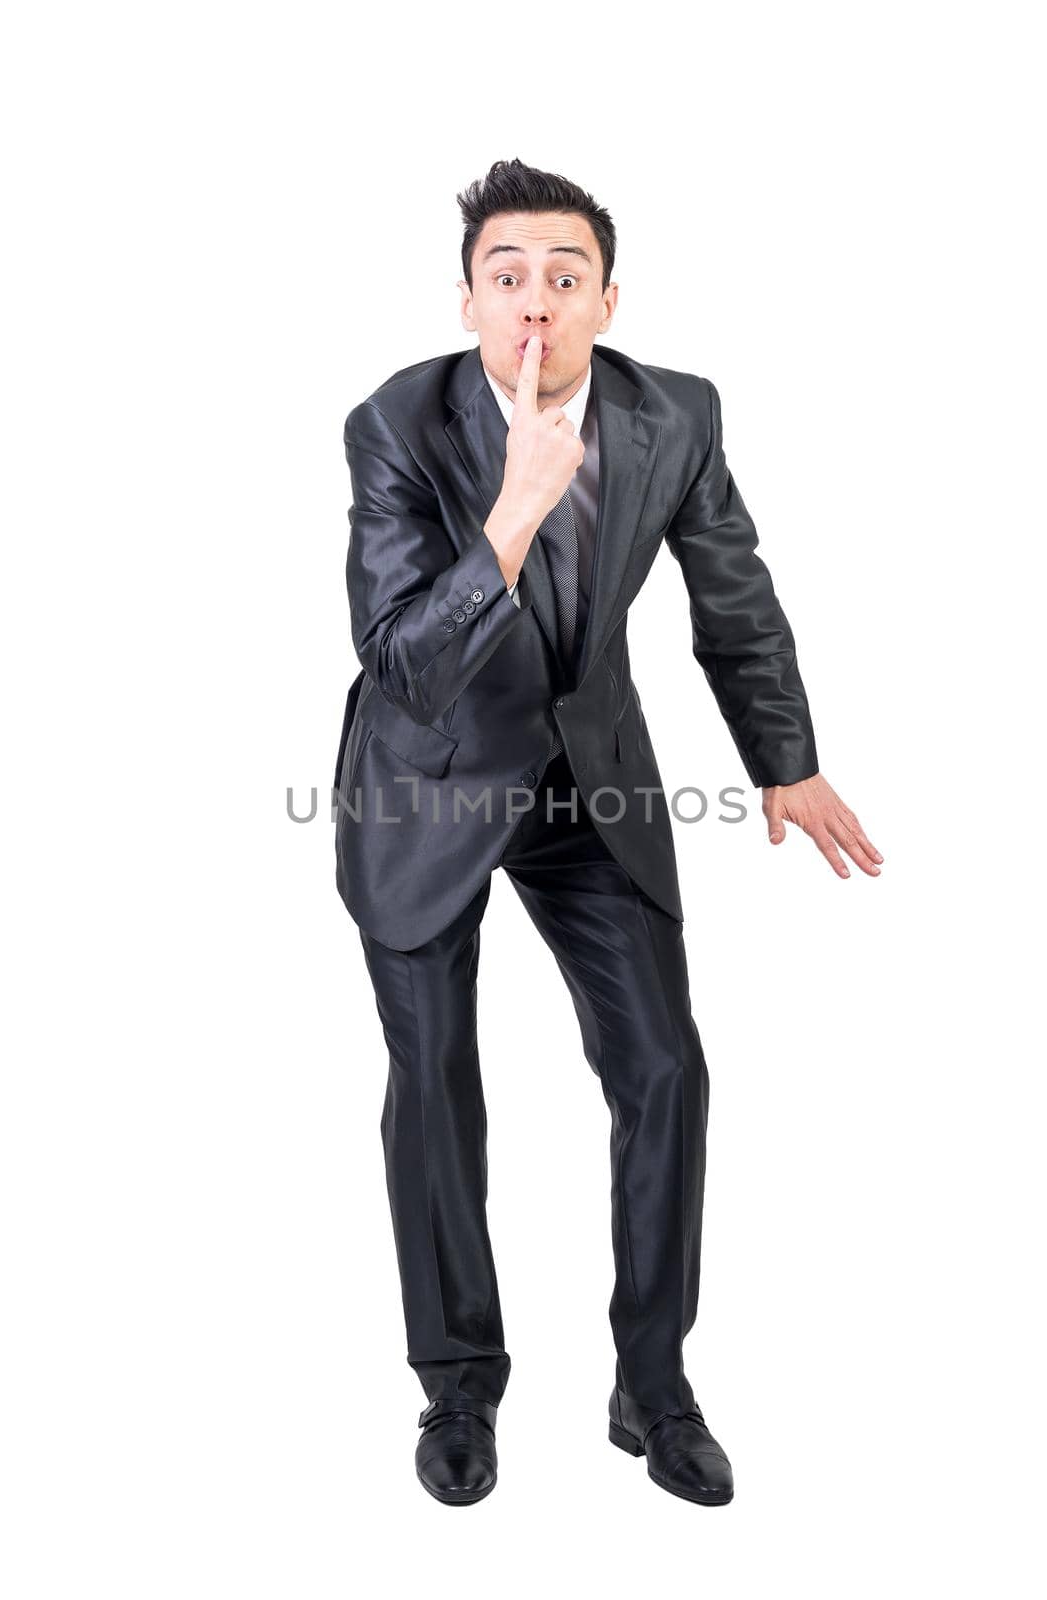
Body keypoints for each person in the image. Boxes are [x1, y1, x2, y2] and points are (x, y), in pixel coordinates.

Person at [333, 157, 883, 1507]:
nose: (535, 306)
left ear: (607, 299)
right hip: (428, 775)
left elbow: (734, 598)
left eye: (563, 279)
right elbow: (403, 659)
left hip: (594, 773)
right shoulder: (397, 424)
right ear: (467, 299)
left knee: (665, 1072)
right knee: (435, 1089)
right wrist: (516, 506)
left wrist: (787, 763)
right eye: (506, 277)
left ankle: (653, 1383)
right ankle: (459, 1391)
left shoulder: (672, 415)